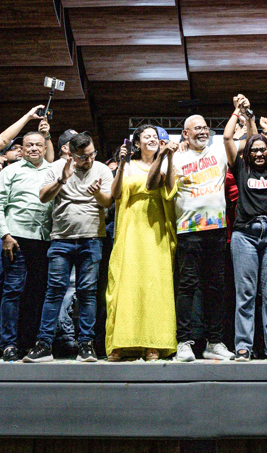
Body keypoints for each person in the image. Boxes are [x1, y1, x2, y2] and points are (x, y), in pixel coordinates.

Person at [24, 132, 112, 363]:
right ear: (71, 154)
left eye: (92, 154)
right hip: (61, 239)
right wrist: (62, 179)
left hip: (91, 238)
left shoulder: (102, 169)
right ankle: (44, 344)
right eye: (83, 157)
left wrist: (97, 193)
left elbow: (108, 202)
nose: (89, 160)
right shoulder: (56, 168)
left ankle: (86, 345)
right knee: (54, 291)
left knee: (87, 293)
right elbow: (43, 197)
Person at [105, 125, 179, 361]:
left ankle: (153, 343)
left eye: (155, 137)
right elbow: (115, 194)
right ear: (137, 143)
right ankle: (121, 343)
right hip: (131, 228)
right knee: (127, 284)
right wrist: (121, 165)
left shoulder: (165, 164)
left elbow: (161, 187)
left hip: (156, 229)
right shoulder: (129, 164)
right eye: (147, 137)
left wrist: (166, 157)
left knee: (155, 286)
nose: (152, 139)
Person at [224, 95, 267, 361]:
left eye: (263, 150)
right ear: (248, 154)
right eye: (254, 150)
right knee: (246, 294)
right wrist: (237, 113)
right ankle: (243, 346)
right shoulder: (241, 168)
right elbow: (228, 138)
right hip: (245, 236)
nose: (259, 153)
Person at [170, 114, 233, 362]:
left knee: (216, 288)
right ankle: (184, 342)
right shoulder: (176, 158)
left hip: (217, 230)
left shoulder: (218, 152)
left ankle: (214, 342)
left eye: (205, 127)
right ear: (185, 133)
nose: (203, 131)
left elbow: (236, 140)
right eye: (197, 128)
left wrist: (239, 114)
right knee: (187, 287)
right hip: (188, 230)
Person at [0, 129, 55, 361]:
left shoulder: (54, 171)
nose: (34, 148)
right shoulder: (10, 171)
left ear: (45, 148)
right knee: (12, 291)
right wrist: (5, 235)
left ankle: (28, 343)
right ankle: (8, 343)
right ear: (22, 149)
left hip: (44, 240)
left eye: (38, 145)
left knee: (36, 293)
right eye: (29, 145)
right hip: (15, 238)